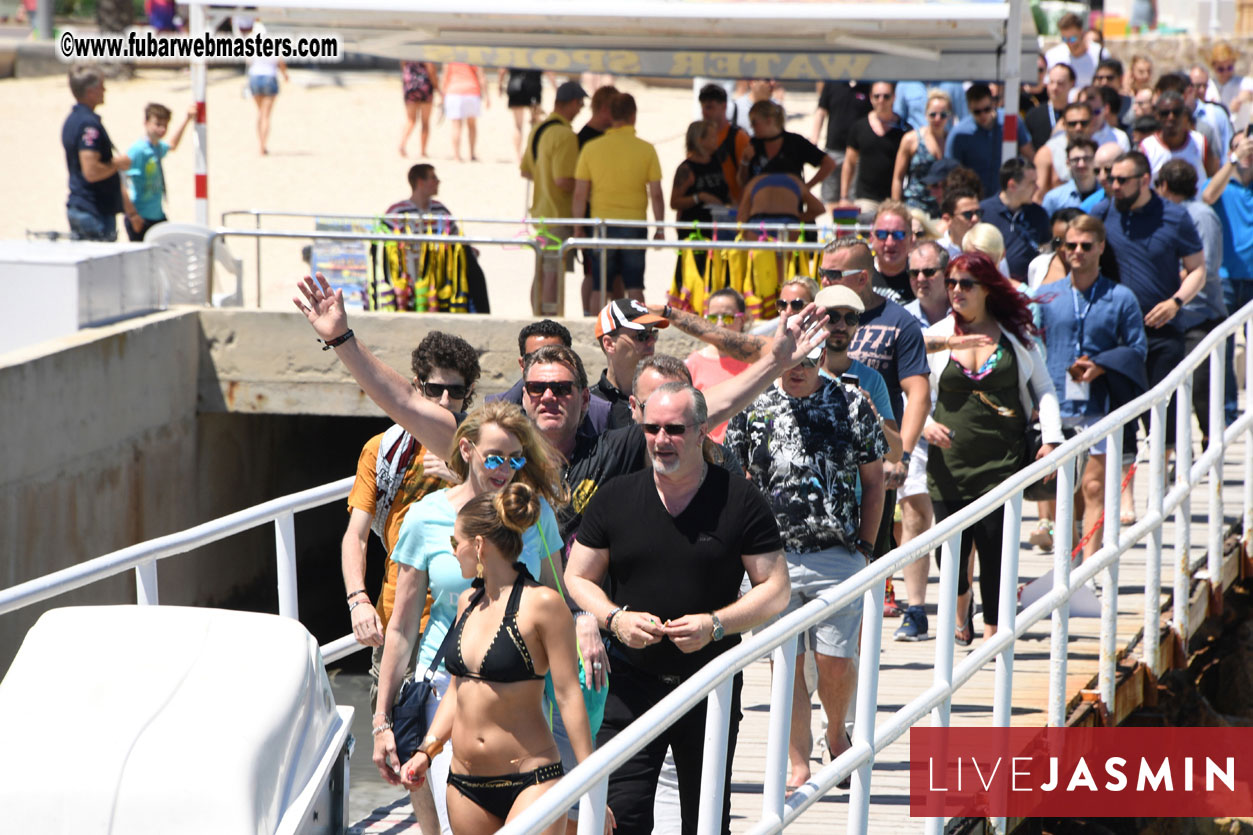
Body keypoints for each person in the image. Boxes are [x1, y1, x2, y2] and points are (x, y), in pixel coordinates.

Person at [565, 382, 790, 835]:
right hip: (628, 684)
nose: (661, 439)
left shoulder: (739, 498)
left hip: (711, 682)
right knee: (619, 819)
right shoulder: (616, 497)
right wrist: (614, 619)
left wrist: (716, 625)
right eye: (651, 428)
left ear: (702, 431)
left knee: (706, 822)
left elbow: (776, 588)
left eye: (674, 429)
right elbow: (577, 576)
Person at [374, 404, 569, 833]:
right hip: (449, 689)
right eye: (494, 457)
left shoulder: (535, 516)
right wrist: (381, 720)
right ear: (466, 449)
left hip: (524, 689)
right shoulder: (425, 518)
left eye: (516, 458)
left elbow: (558, 600)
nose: (505, 469)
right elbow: (403, 627)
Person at [724, 290, 886, 792]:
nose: (798, 368)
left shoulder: (852, 403)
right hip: (772, 560)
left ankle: (835, 733)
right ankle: (797, 761)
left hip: (838, 553)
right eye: (790, 358)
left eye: (808, 360)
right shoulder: (755, 408)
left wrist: (865, 546)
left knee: (836, 661)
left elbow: (875, 479)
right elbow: (736, 482)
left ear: (823, 356)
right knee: (786, 662)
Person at [393, 482, 598, 832]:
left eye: (455, 542)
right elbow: (458, 690)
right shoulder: (466, 604)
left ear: (478, 545)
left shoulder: (544, 605)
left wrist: (593, 783)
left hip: (532, 778)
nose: (453, 551)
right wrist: (426, 750)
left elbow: (567, 695)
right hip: (465, 785)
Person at [343, 332, 478, 835]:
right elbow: (355, 535)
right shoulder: (382, 453)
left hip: (460, 621)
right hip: (397, 619)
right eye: (434, 390)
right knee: (404, 752)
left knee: (462, 747)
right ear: (415, 387)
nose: (445, 402)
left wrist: (461, 477)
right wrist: (358, 598)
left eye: (457, 392)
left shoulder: (478, 454)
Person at [922, 252, 1063, 644]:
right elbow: (908, 389)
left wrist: (1051, 439)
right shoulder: (935, 335)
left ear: (986, 288)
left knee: (995, 550)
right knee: (949, 553)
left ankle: (994, 634)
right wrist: (926, 426)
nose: (956, 290)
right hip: (949, 464)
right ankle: (962, 603)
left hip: (1002, 461)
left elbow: (1044, 389)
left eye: (966, 283)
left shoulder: (1017, 337)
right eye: (950, 282)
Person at [1034, 215, 1147, 560]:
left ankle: (1089, 567)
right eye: (1070, 246)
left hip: (1100, 406)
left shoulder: (1121, 297)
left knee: (1094, 486)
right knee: (1067, 492)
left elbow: (1137, 348)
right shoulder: (1046, 296)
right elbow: (1030, 347)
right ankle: (1067, 563)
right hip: (1057, 406)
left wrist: (1102, 365)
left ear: (1100, 247)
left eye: (1085, 245)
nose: (1077, 252)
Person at [1094, 150, 1206, 462]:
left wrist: (1176, 302)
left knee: (1163, 415)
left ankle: (1166, 481)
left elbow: (1198, 268)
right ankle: (1126, 501)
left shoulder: (1175, 216)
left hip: (1162, 330)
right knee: (1121, 420)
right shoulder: (1103, 212)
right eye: (1110, 177)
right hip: (1116, 336)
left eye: (1121, 179)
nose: (1113, 184)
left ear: (1145, 180)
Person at [891, 241, 951, 640]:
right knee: (913, 516)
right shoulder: (900, 319)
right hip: (913, 431)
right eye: (914, 273)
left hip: (962, 435)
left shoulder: (969, 315)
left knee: (956, 525)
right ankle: (915, 608)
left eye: (929, 272)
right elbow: (895, 384)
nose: (920, 280)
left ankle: (959, 607)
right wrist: (923, 421)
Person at [1156, 159, 1228, 446]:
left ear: (1163, 185)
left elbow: (1205, 267)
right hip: (1172, 318)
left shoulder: (1202, 215)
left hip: (1201, 317)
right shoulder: (1164, 215)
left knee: (1202, 390)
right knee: (1172, 393)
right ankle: (1176, 452)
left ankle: (1212, 449)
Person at [573, 93, 665, 306]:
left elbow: (580, 193)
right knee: (635, 286)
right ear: (633, 116)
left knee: (599, 286)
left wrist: (579, 226)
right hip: (634, 223)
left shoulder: (591, 148)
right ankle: (639, 330)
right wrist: (659, 228)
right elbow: (657, 194)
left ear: (611, 115)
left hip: (601, 225)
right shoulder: (646, 149)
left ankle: (594, 331)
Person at [384, 164, 490, 314]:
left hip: (438, 281)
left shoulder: (440, 210)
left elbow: (456, 238)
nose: (438, 182)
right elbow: (386, 245)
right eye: (433, 178)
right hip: (407, 280)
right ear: (420, 182)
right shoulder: (397, 211)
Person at [521, 81, 586, 315]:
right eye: (580, 103)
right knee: (552, 272)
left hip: (539, 212)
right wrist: (586, 188)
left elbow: (526, 170)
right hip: (558, 214)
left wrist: (544, 177)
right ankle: (548, 321)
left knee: (540, 269)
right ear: (569, 103)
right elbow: (563, 180)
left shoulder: (538, 129)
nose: (581, 109)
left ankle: (537, 317)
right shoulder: (565, 135)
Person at [1201, 132, 1253, 428]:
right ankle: (1228, 416)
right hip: (1226, 279)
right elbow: (1208, 196)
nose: (1247, 152)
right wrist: (1234, 160)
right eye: (1239, 147)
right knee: (1225, 347)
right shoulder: (1222, 183)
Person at [62, 64, 137, 242]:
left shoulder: (73, 120)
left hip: (83, 207)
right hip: (93, 210)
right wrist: (118, 164)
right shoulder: (88, 125)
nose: (105, 90)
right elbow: (91, 171)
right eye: (101, 86)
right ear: (90, 92)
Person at [683, 288, 751, 443]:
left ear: (742, 320)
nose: (720, 324)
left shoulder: (756, 361)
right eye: (713, 318)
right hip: (710, 454)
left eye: (728, 317)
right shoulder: (694, 363)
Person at [670, 118, 733, 279]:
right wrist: (699, 197)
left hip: (718, 229)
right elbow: (675, 202)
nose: (716, 140)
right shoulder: (687, 169)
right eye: (712, 137)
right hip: (695, 231)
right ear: (700, 140)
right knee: (695, 278)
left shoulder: (716, 162)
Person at [593, 299, 670, 429]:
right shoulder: (587, 405)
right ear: (609, 344)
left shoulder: (666, 399)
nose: (652, 341)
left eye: (653, 334)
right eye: (642, 335)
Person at [946, 84, 1033, 198]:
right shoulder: (960, 133)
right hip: (975, 199)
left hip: (1009, 195)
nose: (983, 115)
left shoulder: (1011, 121)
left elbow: (1030, 154)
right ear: (969, 108)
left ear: (993, 103)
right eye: (977, 112)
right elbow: (952, 173)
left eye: (987, 109)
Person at [124, 102, 195, 241]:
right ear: (146, 123)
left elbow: (172, 145)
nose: (161, 129)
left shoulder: (156, 147)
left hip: (157, 215)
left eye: (165, 125)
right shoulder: (138, 151)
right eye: (157, 124)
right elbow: (120, 182)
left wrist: (187, 120)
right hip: (141, 216)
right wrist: (132, 215)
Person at [839, 81, 906, 215]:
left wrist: (897, 201)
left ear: (894, 97)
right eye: (877, 96)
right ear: (870, 98)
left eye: (886, 96)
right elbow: (849, 163)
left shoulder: (904, 129)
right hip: (866, 198)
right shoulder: (859, 127)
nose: (881, 100)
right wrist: (844, 197)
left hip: (895, 199)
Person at [980, 158, 1050, 283]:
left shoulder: (1039, 214)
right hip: (993, 287)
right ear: (1012, 185)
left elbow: (1047, 251)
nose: (1037, 188)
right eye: (1031, 183)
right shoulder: (983, 212)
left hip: (1031, 290)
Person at [740, 100, 834, 190]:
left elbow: (829, 163)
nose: (751, 126)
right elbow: (743, 183)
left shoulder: (795, 142)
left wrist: (806, 187)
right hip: (760, 203)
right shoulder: (754, 144)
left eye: (754, 122)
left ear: (768, 121)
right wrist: (745, 161)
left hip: (791, 203)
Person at [811, 80, 872, 209]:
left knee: (852, 199)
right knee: (830, 197)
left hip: (857, 152)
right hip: (833, 149)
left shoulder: (867, 86)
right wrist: (814, 138)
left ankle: (848, 229)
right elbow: (821, 111)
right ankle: (834, 228)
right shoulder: (832, 83)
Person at [892, 88, 952, 217]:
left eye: (943, 115)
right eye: (933, 114)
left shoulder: (952, 140)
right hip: (915, 204)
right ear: (925, 114)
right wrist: (896, 209)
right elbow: (898, 177)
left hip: (943, 207)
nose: (937, 119)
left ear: (949, 116)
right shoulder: (911, 139)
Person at [235, 16, 288, 156]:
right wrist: (285, 76)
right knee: (266, 115)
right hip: (269, 77)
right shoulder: (274, 44)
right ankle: (262, 145)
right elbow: (280, 62)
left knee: (260, 113)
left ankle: (260, 144)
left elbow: (248, 62)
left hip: (255, 77)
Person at [1139, 91, 1217, 182]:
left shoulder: (1200, 143)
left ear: (1184, 114)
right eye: (1165, 113)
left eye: (1176, 112)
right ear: (1157, 116)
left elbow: (1213, 181)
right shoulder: (1147, 148)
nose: (1171, 117)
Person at [698, 83, 751, 204]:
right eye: (702, 107)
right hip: (703, 207)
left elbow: (747, 177)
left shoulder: (739, 137)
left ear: (724, 106)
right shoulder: (698, 136)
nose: (704, 112)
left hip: (731, 208)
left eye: (710, 107)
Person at [1033, 102, 1096, 201]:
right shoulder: (1047, 152)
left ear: (1092, 122)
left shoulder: (1103, 149)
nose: (1078, 128)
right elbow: (1038, 196)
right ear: (1064, 124)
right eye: (1072, 123)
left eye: (1083, 123)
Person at [867, 200, 917, 304]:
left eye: (898, 235)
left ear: (911, 239)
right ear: (871, 238)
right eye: (882, 234)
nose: (890, 243)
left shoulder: (923, 276)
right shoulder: (861, 277)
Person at [1042, 137, 1102, 216]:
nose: (1081, 164)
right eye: (1076, 160)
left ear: (1096, 160)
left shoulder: (1107, 194)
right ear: (1068, 163)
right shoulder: (1053, 199)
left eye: (1086, 159)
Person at [440, 63, 487, 162]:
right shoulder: (473, 54)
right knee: (472, 126)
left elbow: (445, 77)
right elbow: (481, 77)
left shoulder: (449, 57)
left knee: (456, 126)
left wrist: (442, 96)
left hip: (453, 92)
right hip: (471, 91)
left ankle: (457, 155)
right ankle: (471, 154)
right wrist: (487, 96)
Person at [1045, 12, 1103, 89]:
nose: (1069, 43)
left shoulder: (1100, 53)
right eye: (1065, 39)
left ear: (1082, 32)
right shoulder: (1052, 55)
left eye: (1073, 39)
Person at [1025, 63, 1076, 150]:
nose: (1054, 87)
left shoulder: (1077, 115)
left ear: (1072, 84)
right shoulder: (1033, 115)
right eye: (1051, 82)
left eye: (1060, 83)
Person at [501, 68, 545, 161]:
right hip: (533, 89)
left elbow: (502, 70)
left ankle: (518, 157)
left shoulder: (513, 53)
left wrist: (500, 84)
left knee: (518, 126)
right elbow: (548, 69)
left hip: (516, 88)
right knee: (535, 124)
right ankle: (533, 154)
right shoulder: (536, 53)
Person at [1206, 42, 1253, 126]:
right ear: (1213, 67)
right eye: (1221, 69)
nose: (1225, 72)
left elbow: (1249, 92)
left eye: (1229, 68)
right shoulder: (1208, 85)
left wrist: (1239, 100)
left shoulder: (1244, 81)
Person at [400, 61, 439, 158]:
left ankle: (402, 144)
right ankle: (423, 151)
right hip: (425, 88)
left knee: (411, 120)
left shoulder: (406, 54)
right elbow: (431, 70)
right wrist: (438, 88)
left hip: (410, 88)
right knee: (425, 122)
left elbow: (404, 68)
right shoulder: (425, 52)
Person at [937, 188, 983, 258]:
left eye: (978, 213)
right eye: (967, 214)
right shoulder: (936, 251)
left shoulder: (989, 248)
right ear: (947, 219)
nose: (975, 218)